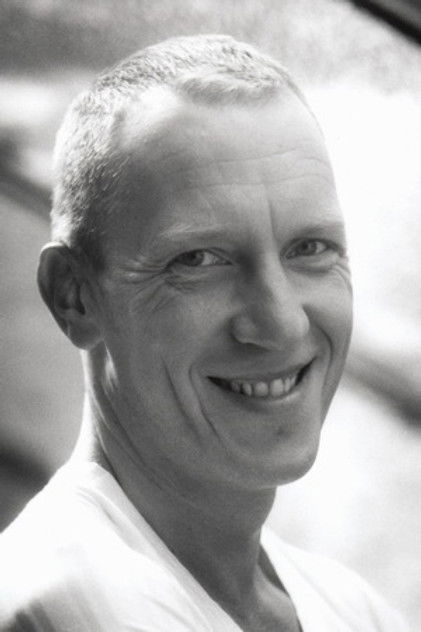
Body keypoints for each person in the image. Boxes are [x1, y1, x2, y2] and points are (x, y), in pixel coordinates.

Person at [0, 34, 408, 632]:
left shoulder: (347, 605)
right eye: (198, 260)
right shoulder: (74, 600)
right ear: (74, 297)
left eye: (310, 248)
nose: (282, 322)